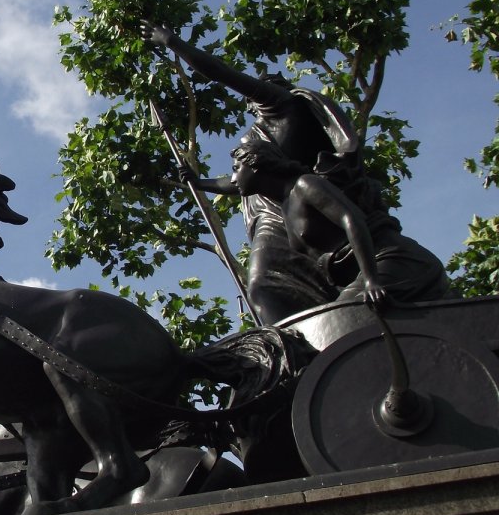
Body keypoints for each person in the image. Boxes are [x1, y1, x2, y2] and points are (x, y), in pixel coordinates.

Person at [141, 21, 365, 322]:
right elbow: (242, 182)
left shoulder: (285, 105)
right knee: (262, 288)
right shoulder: (256, 135)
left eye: (270, 82)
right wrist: (199, 182)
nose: (263, 87)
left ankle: (306, 343)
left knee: (269, 286)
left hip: (308, 203)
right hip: (272, 218)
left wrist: (171, 42)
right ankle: (295, 349)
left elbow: (222, 73)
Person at [229, 138, 452, 307]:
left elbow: (351, 219)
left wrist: (371, 280)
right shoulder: (284, 206)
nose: (232, 179)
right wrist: (197, 181)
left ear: (255, 164)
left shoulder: (306, 185)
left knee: (345, 316)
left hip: (391, 261)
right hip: (355, 277)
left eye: (236, 169)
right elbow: (228, 186)